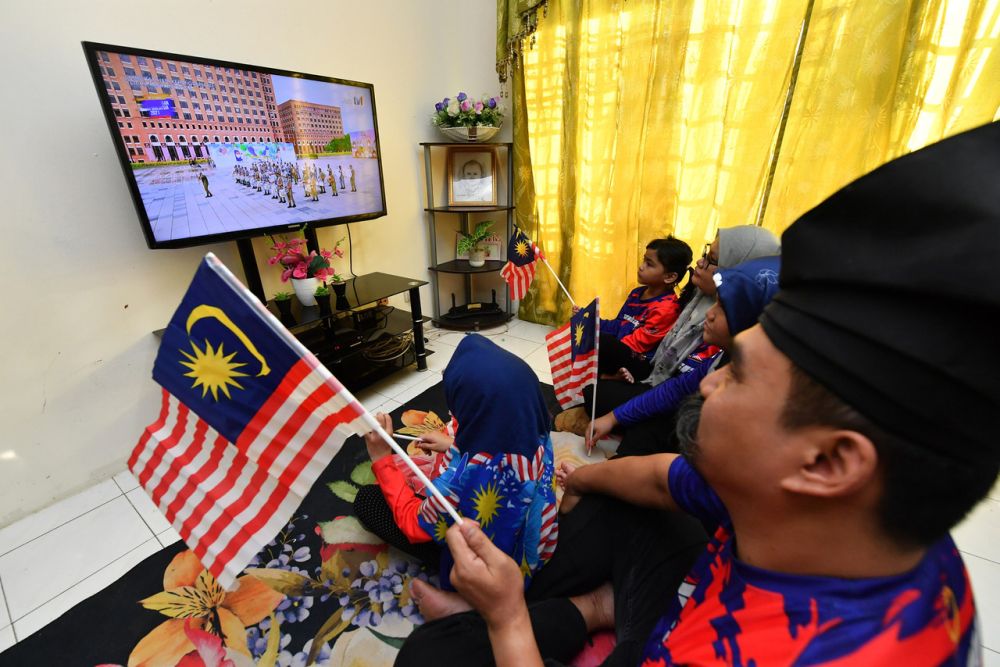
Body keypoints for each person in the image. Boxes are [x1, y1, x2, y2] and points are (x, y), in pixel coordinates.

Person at [396, 122, 999, 666]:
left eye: (735, 372)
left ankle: (578, 614)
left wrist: (505, 620)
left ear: (828, 461)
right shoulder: (848, 513)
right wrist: (574, 478)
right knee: (631, 493)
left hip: (675, 640)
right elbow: (663, 479)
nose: (706, 380)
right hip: (676, 594)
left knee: (431, 659)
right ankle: (601, 608)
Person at [354, 335, 559, 603]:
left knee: (368, 501)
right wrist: (454, 445)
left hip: (487, 570)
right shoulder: (539, 433)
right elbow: (493, 448)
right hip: (531, 546)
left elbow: (414, 525)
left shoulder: (461, 478)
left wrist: (382, 458)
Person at [556, 224, 779, 435]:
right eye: (705, 254)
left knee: (599, 394)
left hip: (680, 401)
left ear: (738, 271)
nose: (700, 264)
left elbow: (686, 386)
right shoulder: (695, 296)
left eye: (711, 260)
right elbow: (671, 378)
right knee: (598, 368)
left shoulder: (732, 327)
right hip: (661, 377)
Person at [587, 255, 781, 457]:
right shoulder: (726, 357)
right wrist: (613, 418)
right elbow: (677, 388)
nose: (709, 314)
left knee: (653, 423)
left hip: (703, 454)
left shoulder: (764, 394)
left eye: (723, 307)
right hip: (666, 393)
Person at [592, 236, 693, 384]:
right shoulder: (636, 293)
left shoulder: (667, 309)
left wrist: (605, 344)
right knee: (588, 330)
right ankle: (609, 377)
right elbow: (618, 324)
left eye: (649, 264)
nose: (641, 266)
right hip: (622, 348)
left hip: (640, 361)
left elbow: (637, 344)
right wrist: (593, 321)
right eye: (644, 260)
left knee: (600, 342)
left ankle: (615, 378)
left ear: (670, 277)